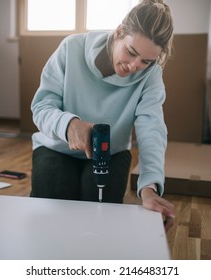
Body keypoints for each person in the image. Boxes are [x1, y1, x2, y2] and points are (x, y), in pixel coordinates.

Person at [30, 0, 175, 231]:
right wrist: (68, 125)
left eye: (145, 61)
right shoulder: (71, 48)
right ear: (119, 32)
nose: (134, 66)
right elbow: (41, 107)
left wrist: (149, 186)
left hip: (111, 152)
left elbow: (152, 128)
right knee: (53, 210)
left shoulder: (151, 75)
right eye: (131, 52)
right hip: (56, 147)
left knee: (101, 214)